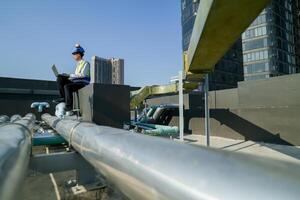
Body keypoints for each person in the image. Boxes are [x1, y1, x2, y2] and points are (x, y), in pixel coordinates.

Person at [54, 44, 90, 113]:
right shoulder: (78, 64)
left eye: (74, 54)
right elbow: (76, 76)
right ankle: (63, 98)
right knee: (60, 78)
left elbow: (82, 75)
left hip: (82, 84)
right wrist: (68, 77)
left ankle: (69, 106)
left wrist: (69, 75)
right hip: (76, 83)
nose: (73, 56)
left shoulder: (86, 63)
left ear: (79, 54)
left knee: (67, 87)